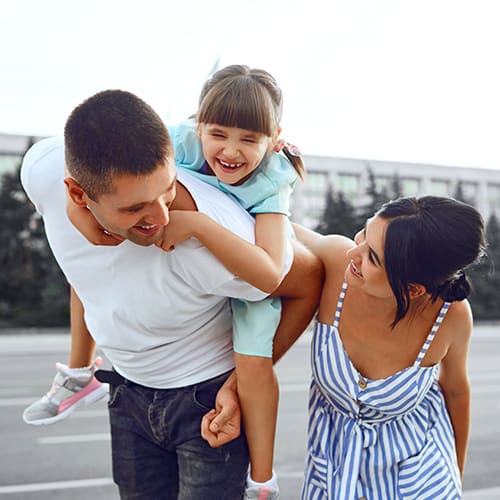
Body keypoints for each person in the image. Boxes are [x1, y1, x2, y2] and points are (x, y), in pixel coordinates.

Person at [20, 89, 322, 499]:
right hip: (126, 393)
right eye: (135, 209)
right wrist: (79, 217)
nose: (163, 218)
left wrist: (237, 384)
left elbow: (305, 281)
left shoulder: (213, 240)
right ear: (77, 193)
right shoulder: (42, 170)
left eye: (168, 190)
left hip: (204, 404)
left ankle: (263, 483)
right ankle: (78, 374)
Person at [294, 196, 485, 499]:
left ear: (412, 289)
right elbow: (272, 226)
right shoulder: (336, 262)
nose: (354, 253)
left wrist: (454, 476)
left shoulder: (450, 316)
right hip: (330, 479)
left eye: (372, 258)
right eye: (364, 233)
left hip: (419, 483)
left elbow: (456, 391)